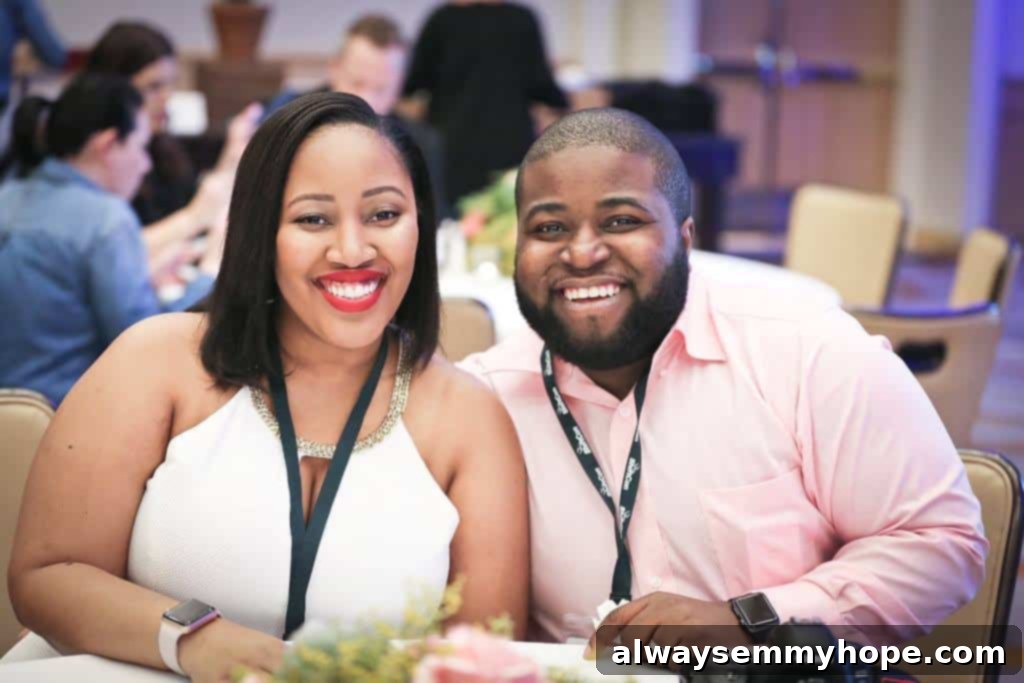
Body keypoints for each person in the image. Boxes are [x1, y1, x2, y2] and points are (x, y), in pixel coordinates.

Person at [7, 92, 528, 681]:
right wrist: (193, 637)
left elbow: (490, 650)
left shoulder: (469, 415)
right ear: (261, 231)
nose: (352, 250)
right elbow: (49, 576)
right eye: (313, 219)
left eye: (384, 214)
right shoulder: (156, 361)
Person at [459, 108, 987, 647]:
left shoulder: (806, 352)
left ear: (686, 240)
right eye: (549, 228)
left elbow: (942, 545)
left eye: (622, 221)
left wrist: (752, 621)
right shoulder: (486, 399)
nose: (583, 252)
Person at [0, 73, 217, 406]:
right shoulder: (105, 218)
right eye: (140, 147)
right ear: (107, 144)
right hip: (61, 416)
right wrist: (210, 275)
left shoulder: (8, 195)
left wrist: (143, 279)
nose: (145, 165)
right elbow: (145, 345)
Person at [86, 21, 261, 280]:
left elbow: (196, 208)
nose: (167, 97)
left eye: (171, 84)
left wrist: (232, 160)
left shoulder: (163, 145)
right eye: (153, 87)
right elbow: (105, 252)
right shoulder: (96, 154)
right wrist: (193, 217)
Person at [266, 14, 448, 218]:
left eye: (381, 89)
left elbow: (432, 224)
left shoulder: (421, 143)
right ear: (335, 69)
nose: (365, 102)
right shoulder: (289, 120)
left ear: (399, 86)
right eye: (357, 84)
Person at [402, 0, 566, 207]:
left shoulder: (442, 20)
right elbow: (543, 87)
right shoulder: (522, 20)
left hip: (452, 148)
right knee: (507, 219)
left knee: (454, 224)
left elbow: (414, 83)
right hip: (510, 146)